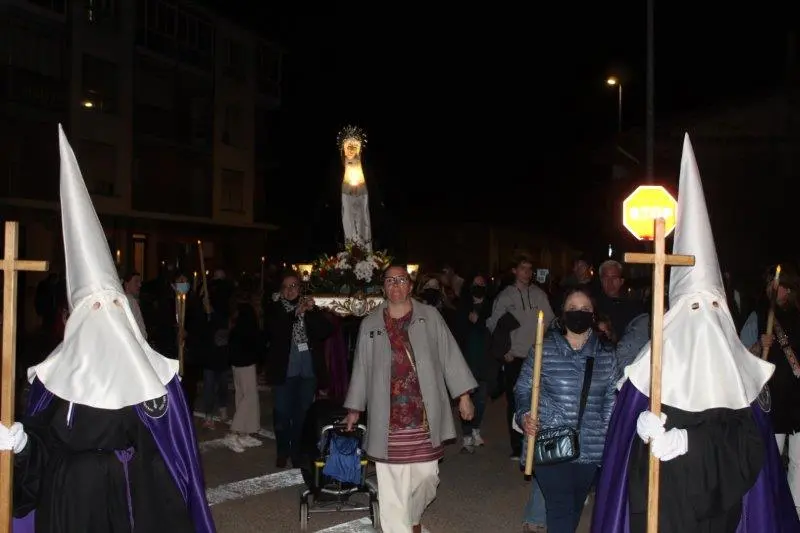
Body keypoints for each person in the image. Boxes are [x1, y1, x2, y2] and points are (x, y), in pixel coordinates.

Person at [0, 125, 215, 533]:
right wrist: (23, 445)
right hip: (64, 505)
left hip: (126, 504)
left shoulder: (153, 381)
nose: (103, 315)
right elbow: (43, 450)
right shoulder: (51, 378)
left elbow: (173, 462)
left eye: (111, 305)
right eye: (92, 307)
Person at [592, 135, 800, 532]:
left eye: (712, 307)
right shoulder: (647, 370)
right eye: (692, 307)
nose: (703, 319)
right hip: (660, 511)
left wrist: (688, 444)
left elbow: (750, 449)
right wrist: (640, 431)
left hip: (717, 516)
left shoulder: (740, 379)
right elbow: (620, 465)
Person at [344, 265, 477, 533]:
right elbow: (360, 368)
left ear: (410, 285)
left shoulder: (429, 316)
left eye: (401, 280)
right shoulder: (370, 323)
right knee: (392, 488)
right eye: (390, 280)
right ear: (384, 286)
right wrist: (354, 409)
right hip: (388, 418)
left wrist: (463, 396)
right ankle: (401, 527)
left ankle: (413, 516)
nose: (395, 285)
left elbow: (450, 355)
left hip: (423, 416)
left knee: (428, 477)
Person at [515, 288, 628, 533]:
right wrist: (525, 414)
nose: (579, 313)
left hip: (590, 445)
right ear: (563, 314)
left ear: (594, 315)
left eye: (585, 309)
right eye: (573, 309)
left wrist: (608, 437)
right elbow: (523, 388)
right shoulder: (542, 350)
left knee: (575, 506)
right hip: (550, 440)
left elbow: (611, 400)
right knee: (560, 506)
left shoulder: (607, 356)